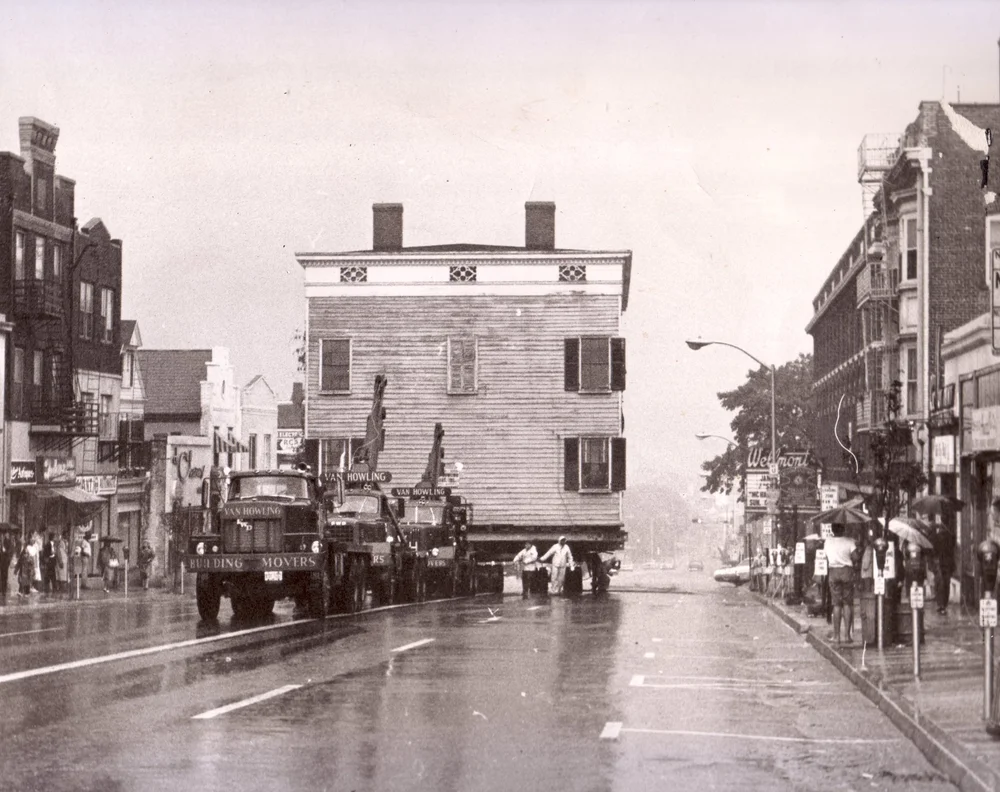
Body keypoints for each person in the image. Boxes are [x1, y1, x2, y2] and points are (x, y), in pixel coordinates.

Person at [825, 523, 858, 644]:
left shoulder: (828, 542)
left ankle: (836, 636)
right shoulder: (849, 541)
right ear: (843, 529)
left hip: (833, 572)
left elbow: (826, 556)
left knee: (836, 604)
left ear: (832, 530)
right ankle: (847, 636)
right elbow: (855, 557)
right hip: (846, 571)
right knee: (847, 603)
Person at [932, 518, 956, 615]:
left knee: (941, 584)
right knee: (946, 584)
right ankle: (943, 605)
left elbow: (934, 550)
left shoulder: (939, 537)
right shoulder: (950, 536)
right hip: (947, 564)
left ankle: (941, 604)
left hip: (941, 564)